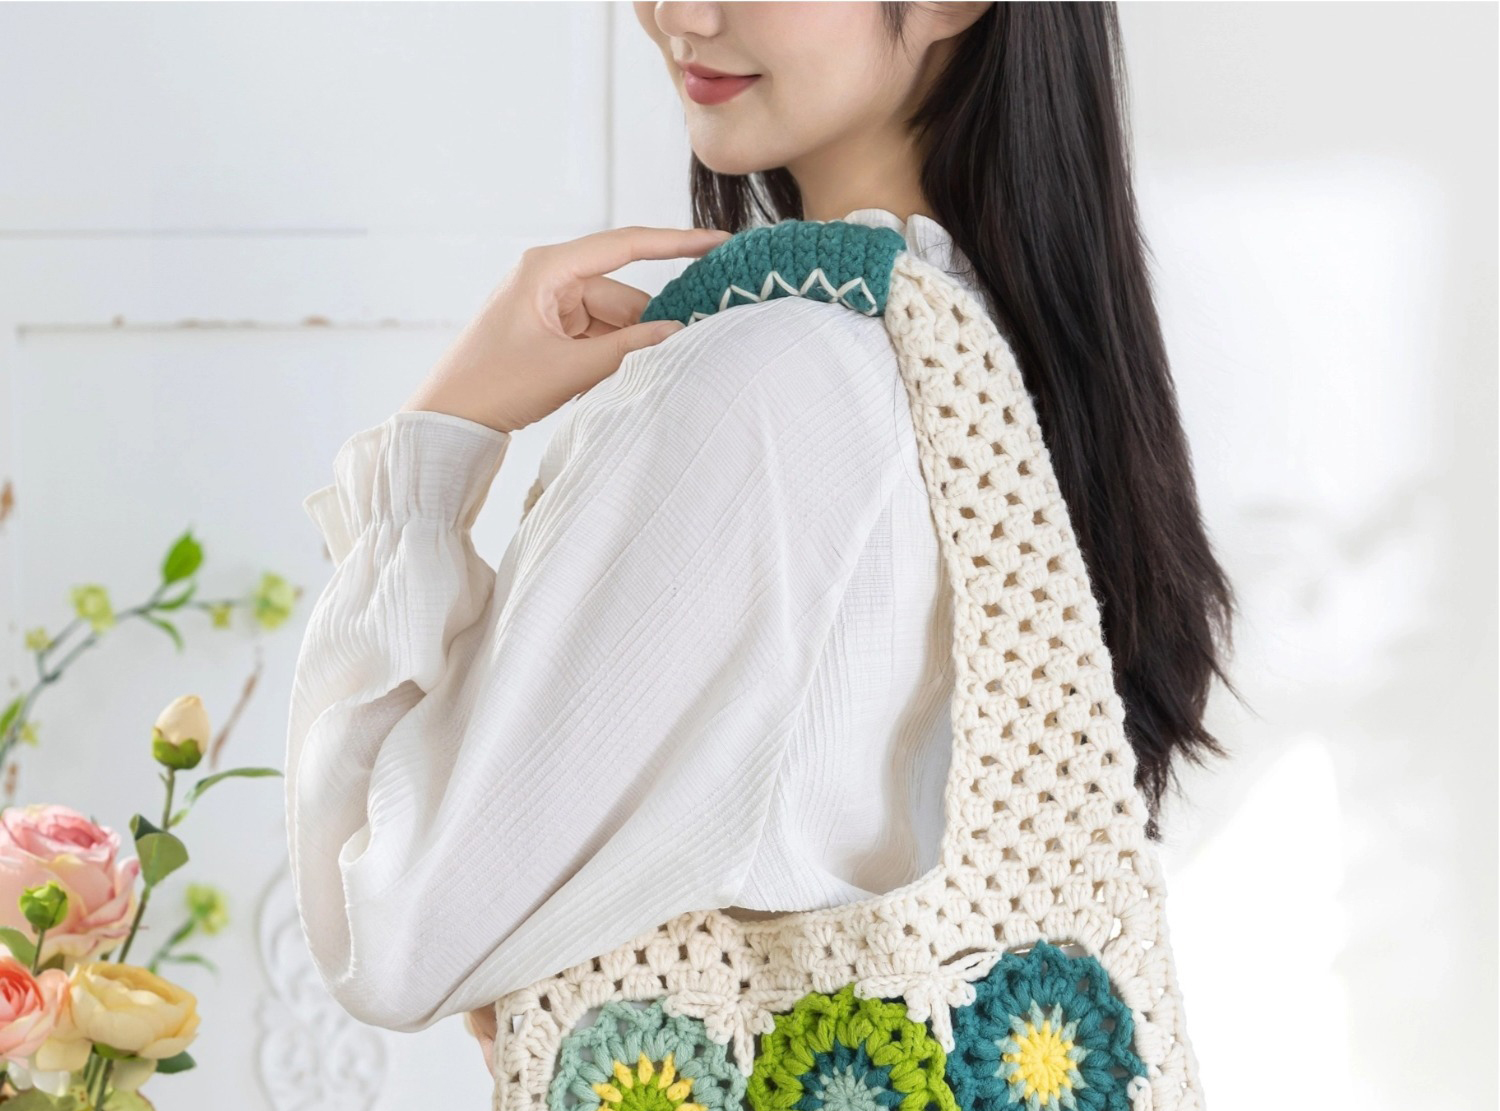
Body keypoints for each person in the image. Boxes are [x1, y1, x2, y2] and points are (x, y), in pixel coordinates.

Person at [283, 0, 1239, 1080]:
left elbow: (394, 934)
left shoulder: (769, 386)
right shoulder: (997, 357)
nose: (677, 13)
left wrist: (437, 441)